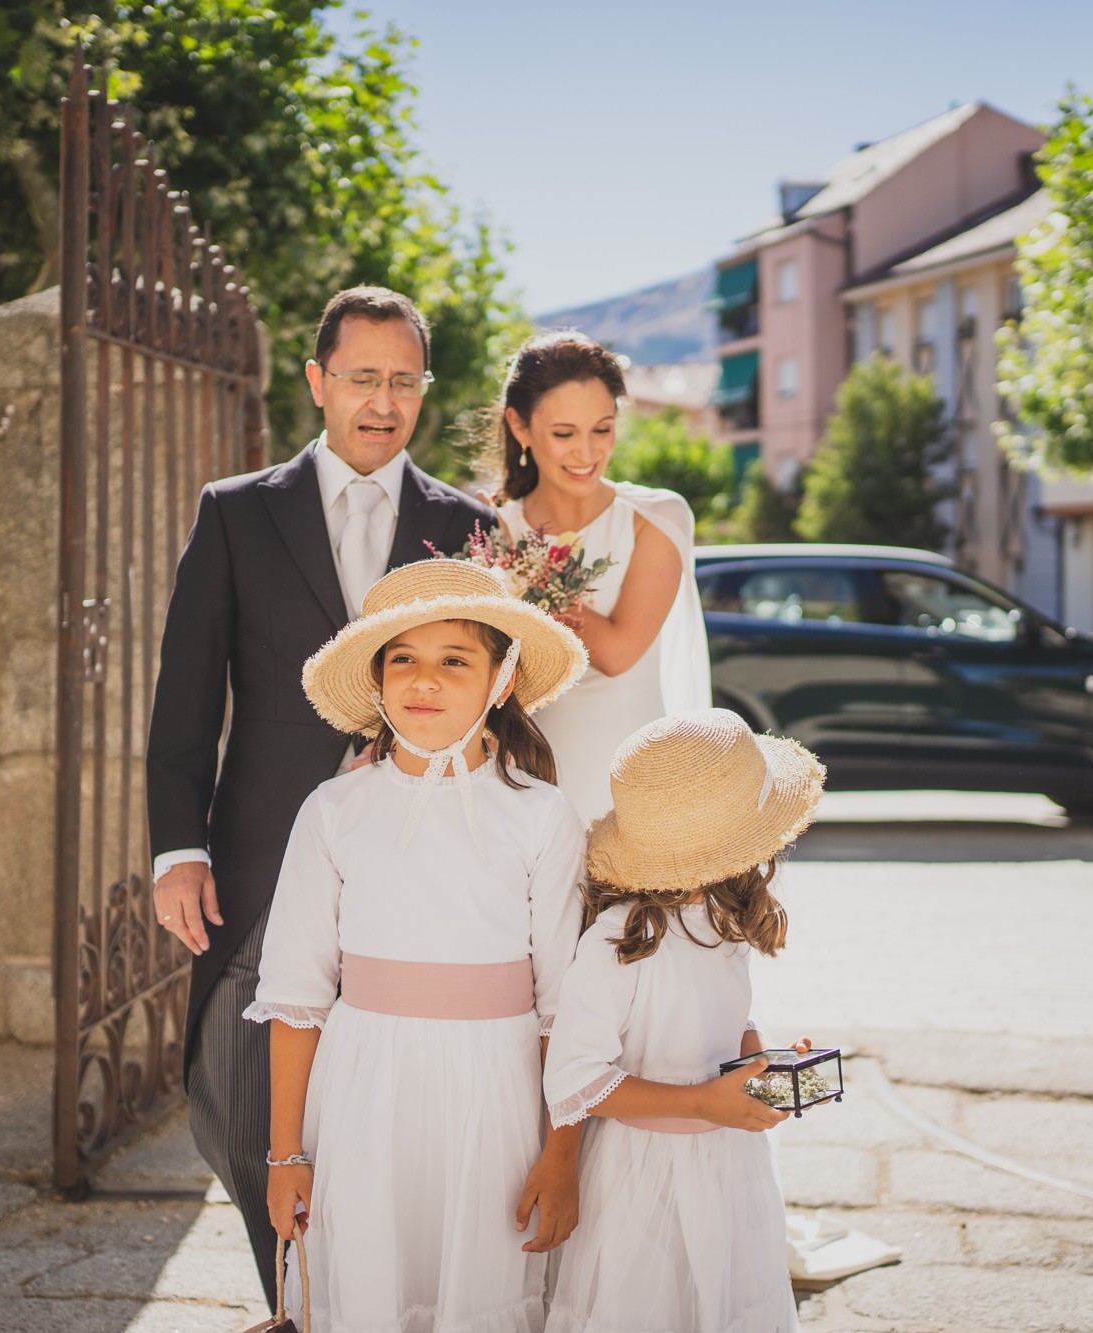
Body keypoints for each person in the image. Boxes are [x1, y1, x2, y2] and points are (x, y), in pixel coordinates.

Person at [144, 287, 495, 1306]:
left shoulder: (467, 529)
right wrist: (179, 849)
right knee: (237, 1096)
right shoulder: (235, 512)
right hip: (260, 858)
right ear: (317, 382)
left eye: (401, 381)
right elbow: (184, 700)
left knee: (380, 1111)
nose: (381, 402)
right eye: (361, 378)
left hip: (416, 870)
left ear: (421, 390)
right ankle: (292, 1299)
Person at [251, 558, 590, 1331]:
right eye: (402, 657)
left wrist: (561, 1150)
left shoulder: (541, 817)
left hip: (497, 1096)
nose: (424, 679)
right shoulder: (334, 809)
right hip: (367, 1090)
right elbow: (297, 995)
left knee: (483, 1291)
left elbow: (565, 1006)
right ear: (376, 677)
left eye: (454, 660)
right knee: (374, 1282)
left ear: (500, 680)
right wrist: (284, 1154)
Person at [543, 708, 824, 1333]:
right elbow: (574, 1081)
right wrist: (701, 1103)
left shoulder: (724, 917)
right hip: (644, 1174)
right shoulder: (620, 941)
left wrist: (762, 1061)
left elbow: (729, 1016)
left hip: (726, 1166)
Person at [488, 331, 711, 821]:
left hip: (630, 783)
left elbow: (616, 653)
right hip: (525, 781)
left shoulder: (658, 517)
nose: (586, 453)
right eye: (564, 434)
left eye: (602, 429)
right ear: (519, 427)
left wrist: (525, 566)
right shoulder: (493, 526)